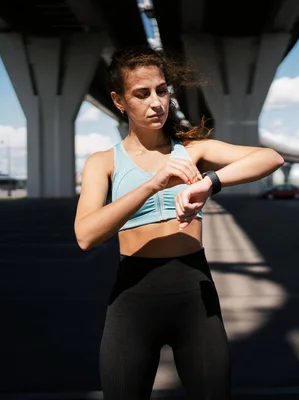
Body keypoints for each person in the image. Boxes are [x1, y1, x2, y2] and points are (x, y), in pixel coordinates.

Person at [74, 46, 284, 399]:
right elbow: (85, 235)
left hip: (194, 295)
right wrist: (154, 184)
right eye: (141, 94)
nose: (157, 102)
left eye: (161, 90)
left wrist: (208, 183)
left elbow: (271, 158)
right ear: (119, 101)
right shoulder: (103, 162)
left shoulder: (192, 151)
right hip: (133, 300)